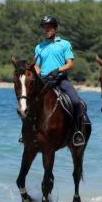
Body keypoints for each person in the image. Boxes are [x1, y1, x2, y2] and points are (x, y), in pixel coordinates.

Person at [34, 15, 86, 146]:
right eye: (44, 28)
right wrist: (39, 75)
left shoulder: (64, 44)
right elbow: (36, 65)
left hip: (60, 80)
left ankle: (77, 132)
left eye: (49, 27)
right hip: (44, 81)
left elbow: (70, 64)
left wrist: (58, 70)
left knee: (75, 102)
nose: (46, 30)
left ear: (55, 28)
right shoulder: (39, 47)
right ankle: (27, 133)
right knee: (29, 103)